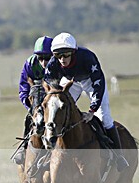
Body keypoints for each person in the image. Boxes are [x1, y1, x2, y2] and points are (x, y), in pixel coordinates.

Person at [44, 32, 129, 172]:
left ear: (73, 52)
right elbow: (49, 85)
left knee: (105, 117)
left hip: (90, 81)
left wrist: (91, 111)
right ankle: (48, 153)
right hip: (71, 82)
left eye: (66, 54)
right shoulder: (53, 63)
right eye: (58, 55)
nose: (62, 59)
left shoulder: (88, 58)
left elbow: (98, 84)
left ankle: (118, 156)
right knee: (58, 112)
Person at [13, 36, 55, 165]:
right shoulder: (30, 64)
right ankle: (24, 146)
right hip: (37, 97)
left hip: (55, 98)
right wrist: (30, 107)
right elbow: (23, 87)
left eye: (47, 58)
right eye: (40, 58)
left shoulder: (59, 63)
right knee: (29, 119)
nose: (43, 62)